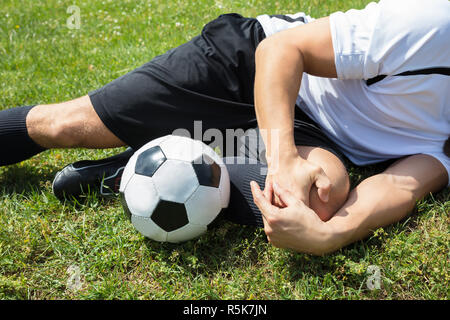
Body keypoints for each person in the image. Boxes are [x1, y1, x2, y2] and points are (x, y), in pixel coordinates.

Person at [1, 0, 448, 255]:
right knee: (63, 126)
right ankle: (170, 151)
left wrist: (331, 235)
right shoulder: (432, 24)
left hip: (321, 134)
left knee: (319, 203)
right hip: (248, 64)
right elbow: (281, 52)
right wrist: (283, 158)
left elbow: (404, 185)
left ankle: (135, 167)